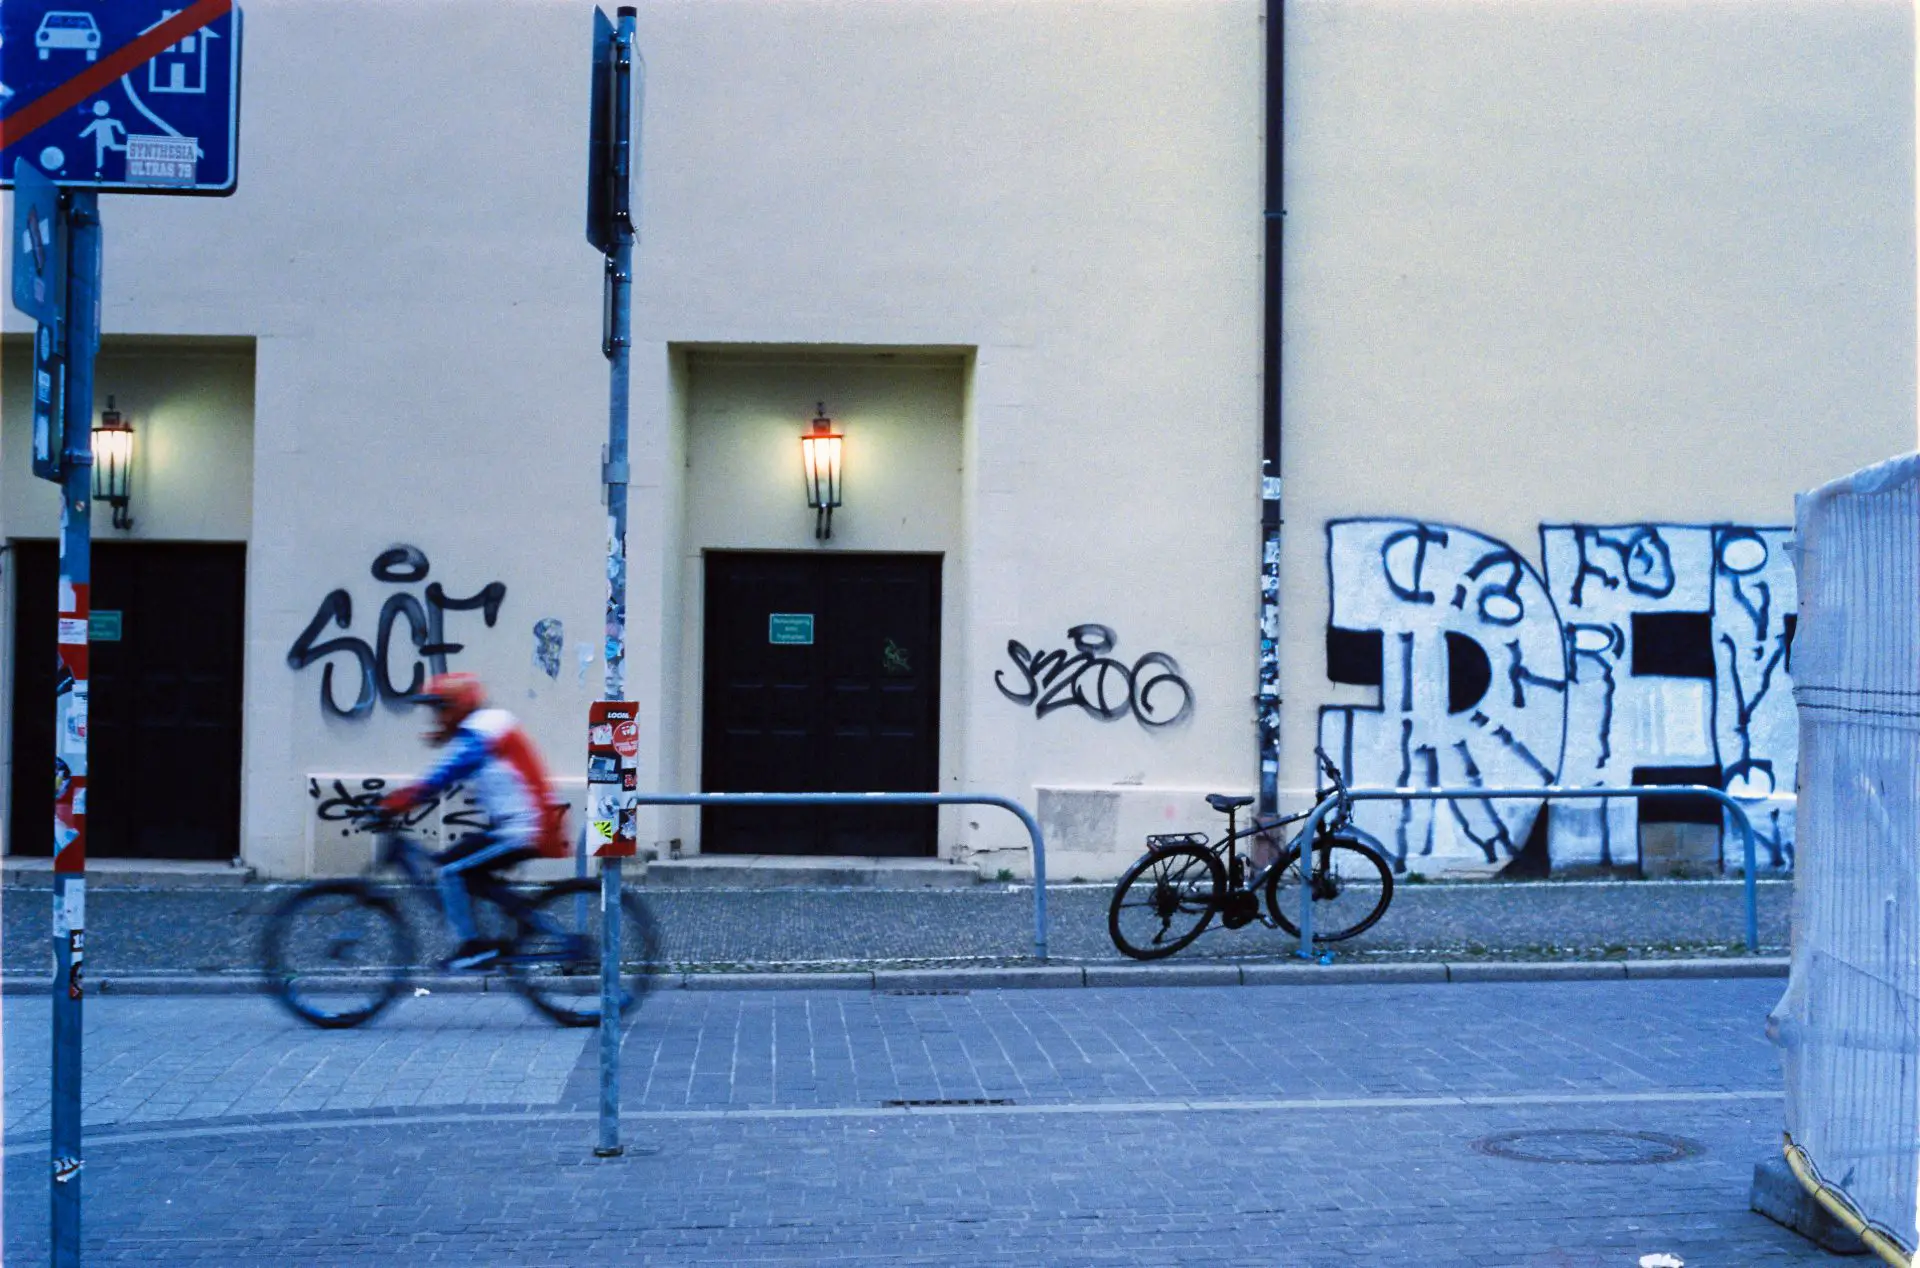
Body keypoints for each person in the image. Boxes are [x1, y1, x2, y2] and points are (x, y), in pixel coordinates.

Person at [380, 672, 568, 971]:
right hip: (516, 824)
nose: (437, 717)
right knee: (463, 869)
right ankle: (520, 921)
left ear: (457, 705)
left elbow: (447, 771)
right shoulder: (482, 726)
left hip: (524, 827)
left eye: (440, 708)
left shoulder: (484, 728)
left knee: (450, 871)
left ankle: (473, 946)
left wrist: (397, 803)